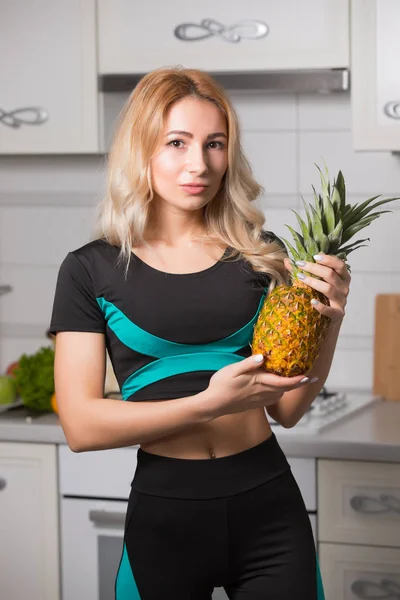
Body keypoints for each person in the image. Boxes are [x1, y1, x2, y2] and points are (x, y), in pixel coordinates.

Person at [50, 66, 349, 600]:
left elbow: (287, 408)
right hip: (166, 516)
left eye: (215, 143)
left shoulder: (262, 255)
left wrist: (332, 318)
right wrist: (208, 404)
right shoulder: (89, 270)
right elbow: (81, 425)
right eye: (177, 142)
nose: (199, 163)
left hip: (269, 509)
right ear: (141, 150)